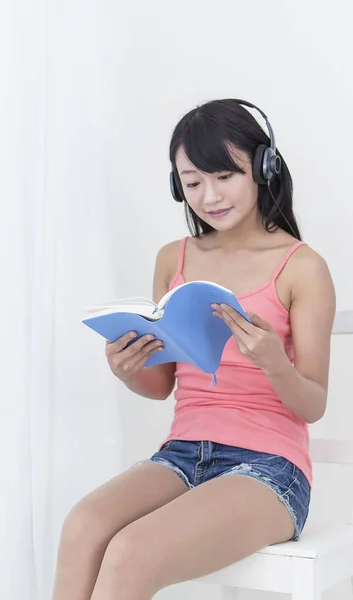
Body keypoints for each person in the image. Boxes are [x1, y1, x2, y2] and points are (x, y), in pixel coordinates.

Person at [52, 99, 336, 600]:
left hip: (270, 469)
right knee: (83, 527)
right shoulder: (173, 259)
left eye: (224, 175)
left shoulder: (301, 267)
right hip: (182, 455)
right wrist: (126, 368)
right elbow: (160, 386)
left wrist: (273, 363)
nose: (209, 196)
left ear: (264, 167)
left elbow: (313, 403)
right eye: (192, 181)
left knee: (132, 551)